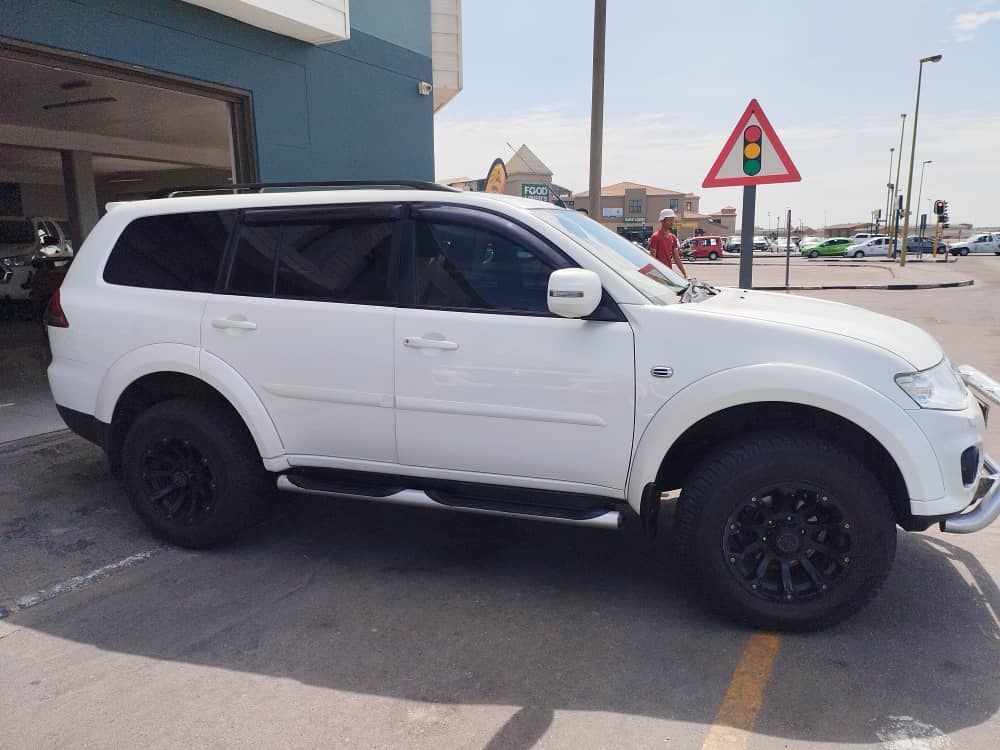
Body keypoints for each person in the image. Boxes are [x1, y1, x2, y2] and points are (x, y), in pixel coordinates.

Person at [647, 208, 687, 278]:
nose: (672, 223)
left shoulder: (673, 237)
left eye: (673, 220)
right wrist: (655, 276)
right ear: (662, 221)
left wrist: (684, 273)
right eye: (669, 220)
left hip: (669, 272)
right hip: (659, 274)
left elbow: (676, 257)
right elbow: (652, 259)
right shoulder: (655, 237)